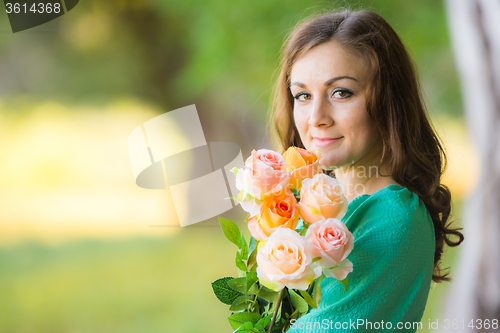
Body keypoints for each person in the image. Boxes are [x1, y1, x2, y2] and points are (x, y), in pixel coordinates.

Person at [269, 9, 464, 332]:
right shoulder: (311, 207)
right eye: (302, 95)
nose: (316, 116)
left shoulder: (393, 217)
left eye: (341, 93)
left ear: (388, 101)